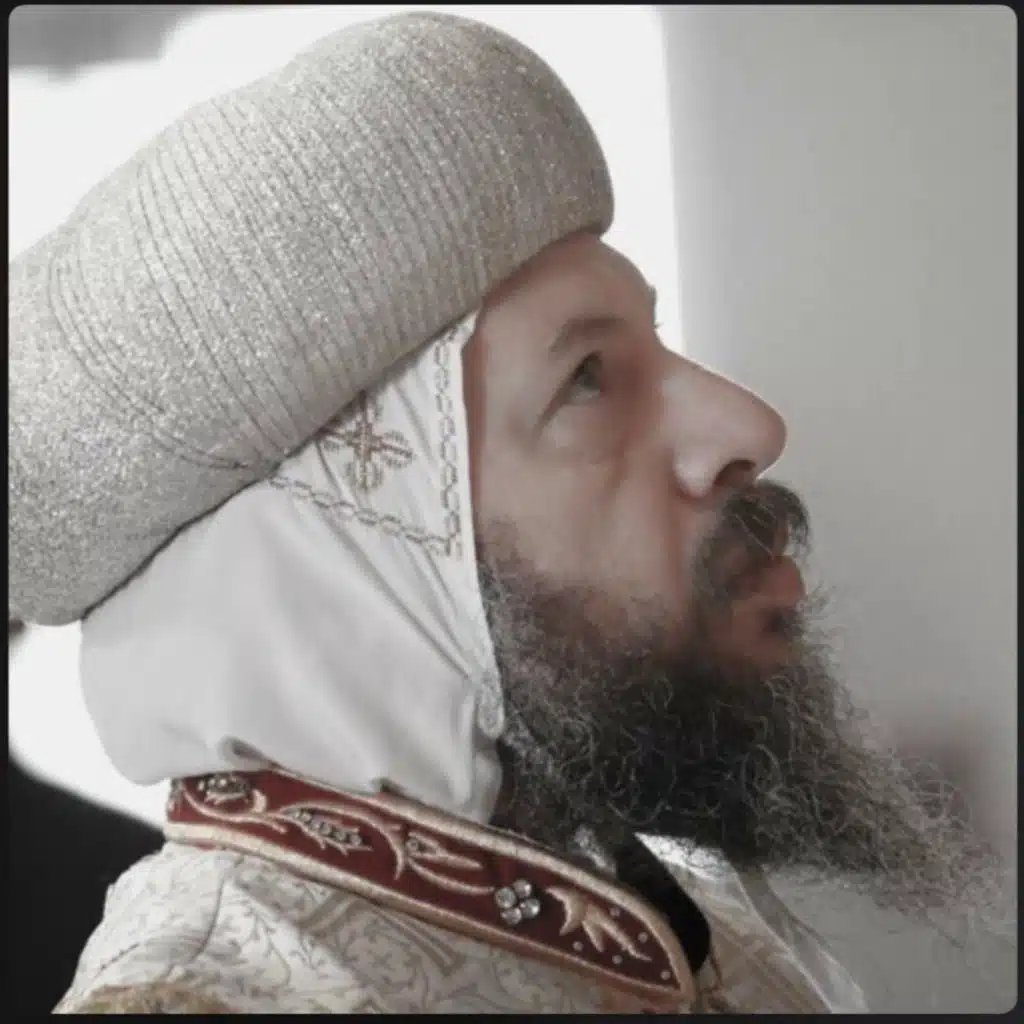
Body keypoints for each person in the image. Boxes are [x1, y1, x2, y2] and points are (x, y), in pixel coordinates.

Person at [9, 11, 1010, 1015]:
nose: (750, 426)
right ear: (354, 562)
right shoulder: (212, 996)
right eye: (588, 378)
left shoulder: (694, 933)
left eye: (658, 345)